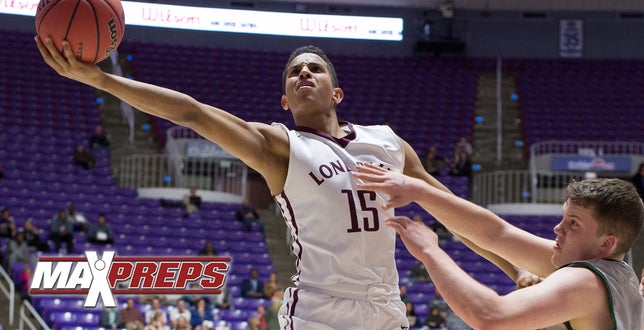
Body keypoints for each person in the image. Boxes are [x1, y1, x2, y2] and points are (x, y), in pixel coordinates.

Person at [35, 39, 515, 329]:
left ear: (337, 91)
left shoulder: (388, 143)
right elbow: (190, 111)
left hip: (387, 307)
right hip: (320, 312)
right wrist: (101, 79)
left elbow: (454, 213)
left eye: (315, 68)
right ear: (285, 100)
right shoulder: (278, 146)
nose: (303, 72)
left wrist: (516, 269)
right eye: (293, 73)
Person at [353, 163, 644, 329]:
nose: (558, 229)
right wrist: (421, 192)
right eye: (564, 218)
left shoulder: (585, 280)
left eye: (574, 224)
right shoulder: (618, 273)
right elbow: (496, 233)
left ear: (607, 243)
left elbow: (489, 317)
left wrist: (430, 251)